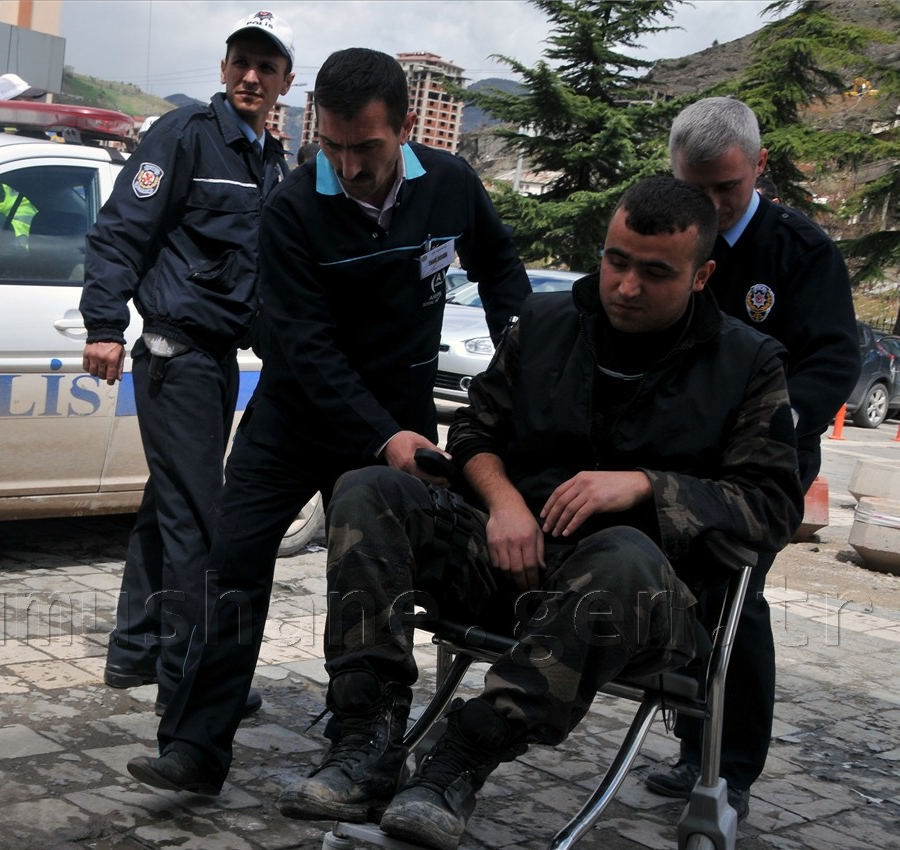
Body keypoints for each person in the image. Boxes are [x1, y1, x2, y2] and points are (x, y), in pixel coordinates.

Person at [277, 176, 803, 850]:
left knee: (623, 553)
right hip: (510, 562)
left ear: (702, 275)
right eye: (616, 261)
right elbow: (472, 435)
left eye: (655, 272)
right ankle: (365, 744)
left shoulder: (748, 364)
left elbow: (773, 505)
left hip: (642, 603)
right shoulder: (549, 323)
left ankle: (457, 762)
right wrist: (502, 505)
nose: (627, 287)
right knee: (367, 489)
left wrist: (645, 486)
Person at [125, 47, 531, 795]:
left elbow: (501, 268)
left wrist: (518, 349)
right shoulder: (291, 208)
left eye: (366, 148)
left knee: (378, 579)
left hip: (402, 417)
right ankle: (194, 747)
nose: (347, 165)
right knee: (231, 565)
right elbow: (306, 348)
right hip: (296, 417)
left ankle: (365, 743)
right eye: (334, 145)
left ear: (406, 128)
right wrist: (383, 435)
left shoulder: (448, 185)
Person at [645, 96, 860, 819]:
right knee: (678, 590)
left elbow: (834, 359)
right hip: (676, 452)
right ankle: (690, 748)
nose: (705, 205)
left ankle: (729, 768)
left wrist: (770, 419)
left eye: (724, 190)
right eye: (692, 188)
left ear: (759, 167)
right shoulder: (669, 238)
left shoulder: (801, 252)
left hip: (764, 462)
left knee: (736, 593)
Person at [80, 11, 296, 717]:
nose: (251, 77)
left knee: (167, 505)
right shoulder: (184, 136)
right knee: (198, 522)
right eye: (241, 61)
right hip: (176, 355)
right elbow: (120, 232)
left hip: (219, 359)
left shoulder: (268, 159)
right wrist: (106, 325)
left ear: (286, 81)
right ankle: (191, 677)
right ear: (225, 66)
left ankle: (135, 649)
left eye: (266, 67)